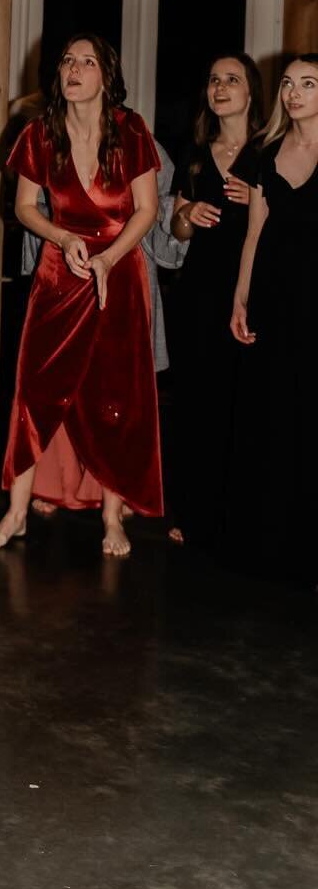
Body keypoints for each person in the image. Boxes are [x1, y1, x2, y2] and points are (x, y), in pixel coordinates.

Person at [0, 36, 161, 559]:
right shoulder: (39, 133)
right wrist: (62, 238)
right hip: (58, 275)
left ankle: (112, 515)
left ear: (106, 76)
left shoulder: (131, 130)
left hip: (119, 274)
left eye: (87, 62)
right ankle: (16, 513)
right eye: (67, 61)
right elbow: (24, 207)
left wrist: (108, 258)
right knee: (33, 391)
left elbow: (146, 210)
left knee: (114, 395)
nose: (74, 69)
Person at [166, 53, 264, 548]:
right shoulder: (198, 150)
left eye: (232, 79)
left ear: (252, 92)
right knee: (197, 401)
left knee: (244, 402)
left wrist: (259, 204)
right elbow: (178, 229)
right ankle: (190, 507)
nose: (220, 87)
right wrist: (191, 212)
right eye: (213, 80)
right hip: (200, 289)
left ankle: (239, 511)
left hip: (253, 288)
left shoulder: (271, 148)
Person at [227, 54, 318, 585]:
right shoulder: (264, 153)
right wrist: (240, 298)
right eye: (288, 83)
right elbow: (254, 233)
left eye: (308, 84)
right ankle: (269, 540)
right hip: (275, 301)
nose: (294, 92)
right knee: (273, 413)